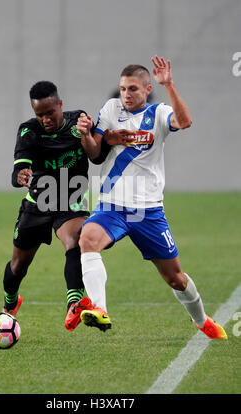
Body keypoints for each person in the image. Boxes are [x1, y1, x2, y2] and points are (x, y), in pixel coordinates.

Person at [74, 56, 227, 339]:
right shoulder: (110, 109)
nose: (126, 94)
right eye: (122, 88)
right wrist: (86, 134)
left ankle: (202, 320)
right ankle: (99, 309)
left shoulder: (159, 114)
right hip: (112, 205)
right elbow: (94, 152)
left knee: (176, 279)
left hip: (148, 211)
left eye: (133, 88)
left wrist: (169, 84)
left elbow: (185, 121)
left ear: (146, 89)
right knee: (87, 239)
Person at [2, 80, 129, 331]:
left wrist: (98, 137)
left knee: (76, 241)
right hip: (38, 203)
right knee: (18, 265)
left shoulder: (79, 121)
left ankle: (74, 302)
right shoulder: (29, 130)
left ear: (60, 104)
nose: (46, 119)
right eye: (40, 114)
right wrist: (20, 174)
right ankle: (10, 301)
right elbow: (20, 163)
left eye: (50, 112)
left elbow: (97, 157)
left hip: (70, 202)